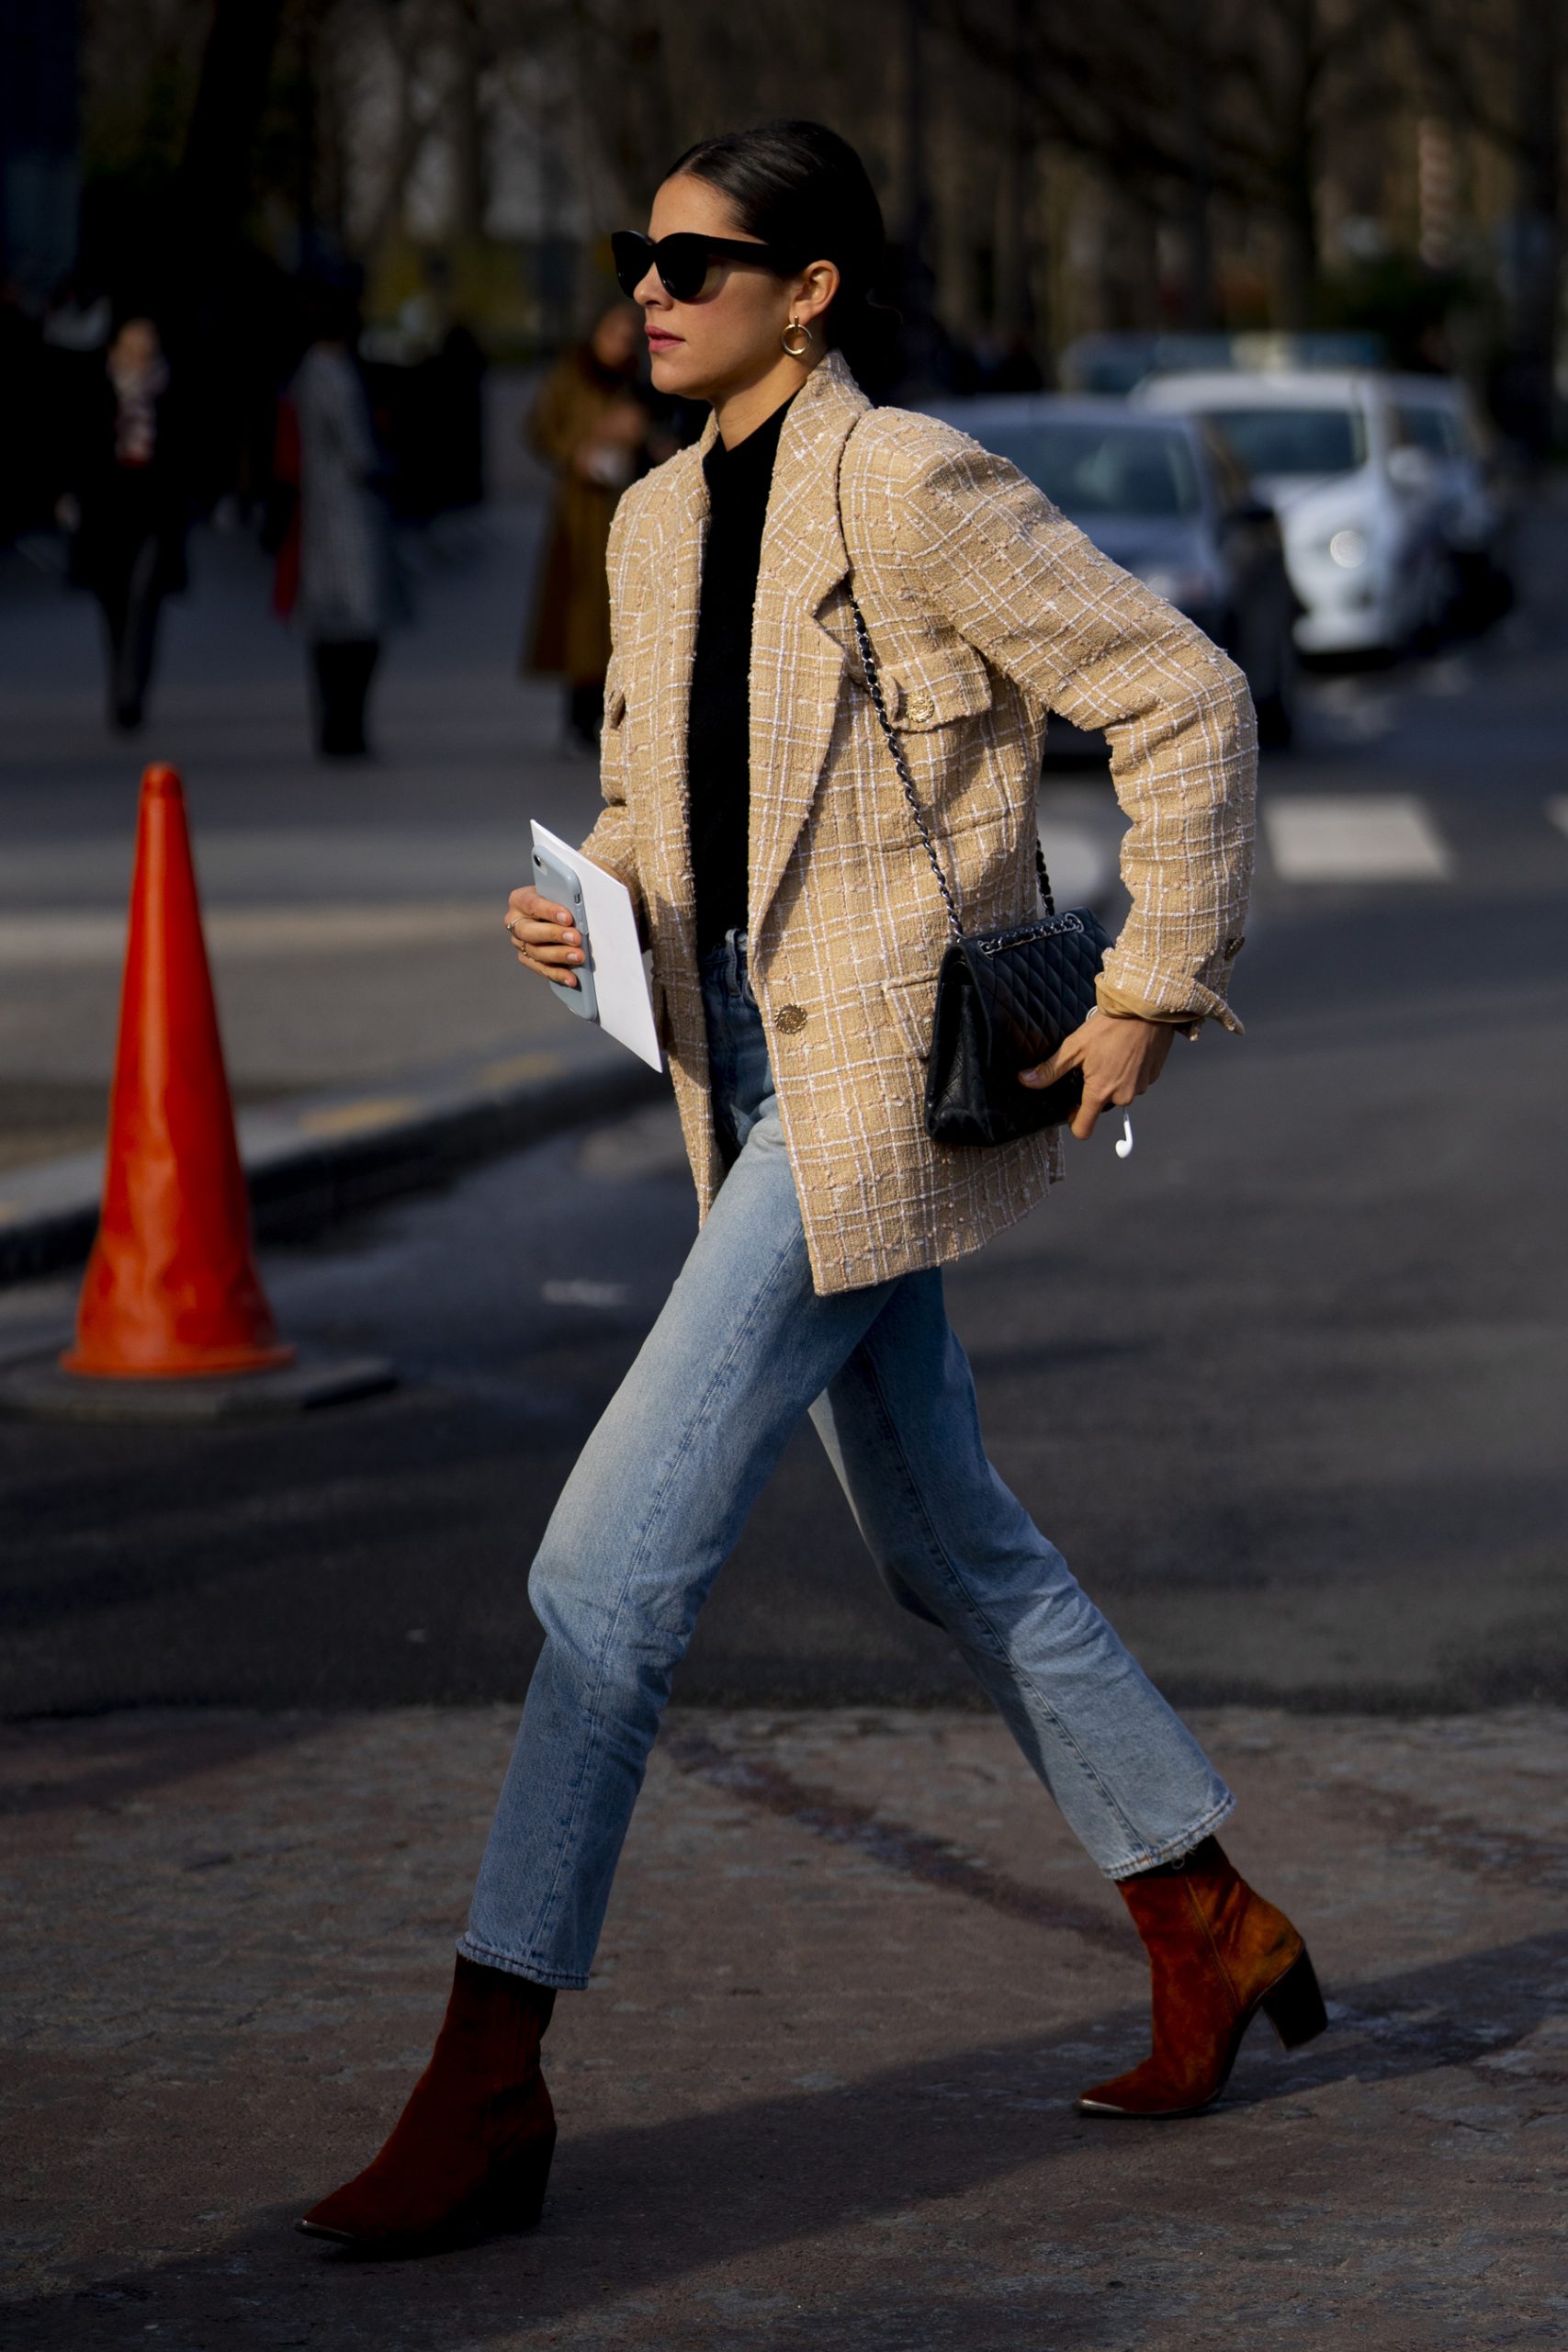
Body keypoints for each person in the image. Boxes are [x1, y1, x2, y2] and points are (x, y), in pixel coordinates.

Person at [297, 120, 1323, 2260]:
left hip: (871, 1093)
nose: (644, 291)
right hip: (733, 1072)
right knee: (947, 1538)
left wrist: (1147, 982)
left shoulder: (912, 483)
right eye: (633, 254)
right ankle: (1204, 1914)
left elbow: (1181, 693)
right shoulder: (658, 516)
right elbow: (651, 797)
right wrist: (593, 921)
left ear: (809, 289)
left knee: (604, 1573)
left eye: (693, 260)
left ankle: (488, 2078)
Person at [522, 300, 657, 750]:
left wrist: (639, 435)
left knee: (619, 613)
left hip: (625, 502)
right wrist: (577, 450)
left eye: (626, 337)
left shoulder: (640, 380)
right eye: (612, 335)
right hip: (580, 512)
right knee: (580, 613)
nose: (619, 345)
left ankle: (615, 713)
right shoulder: (570, 376)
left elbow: (660, 436)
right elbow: (540, 429)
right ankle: (579, 715)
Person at [274, 286, 393, 759]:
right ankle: (349, 727)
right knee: (361, 627)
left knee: (326, 631)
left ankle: (331, 725)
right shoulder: (337, 375)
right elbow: (359, 452)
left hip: (315, 509)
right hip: (351, 512)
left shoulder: (305, 372)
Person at [62, 316, 187, 733]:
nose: (141, 354)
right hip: (107, 510)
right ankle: (120, 680)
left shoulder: (170, 389)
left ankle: (135, 688)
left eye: (147, 346)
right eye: (134, 345)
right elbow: (75, 444)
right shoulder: (96, 387)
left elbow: (192, 446)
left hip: (155, 510)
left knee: (145, 599)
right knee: (114, 604)